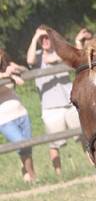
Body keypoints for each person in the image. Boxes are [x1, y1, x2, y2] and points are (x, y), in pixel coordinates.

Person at [26, 26, 80, 176]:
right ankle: (58, 174)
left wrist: (55, 57)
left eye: (47, 37)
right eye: (42, 39)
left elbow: (75, 54)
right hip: (50, 108)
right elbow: (29, 60)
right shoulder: (36, 56)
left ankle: (93, 164)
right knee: (54, 144)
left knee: (84, 136)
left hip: (70, 103)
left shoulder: (61, 54)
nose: (45, 41)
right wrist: (35, 36)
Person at [0, 49, 36, 183]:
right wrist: (6, 76)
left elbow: (26, 72)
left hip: (21, 112)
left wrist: (16, 68)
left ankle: (27, 172)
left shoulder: (7, 67)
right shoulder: (5, 74)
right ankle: (32, 176)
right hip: (4, 119)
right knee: (22, 144)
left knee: (27, 146)